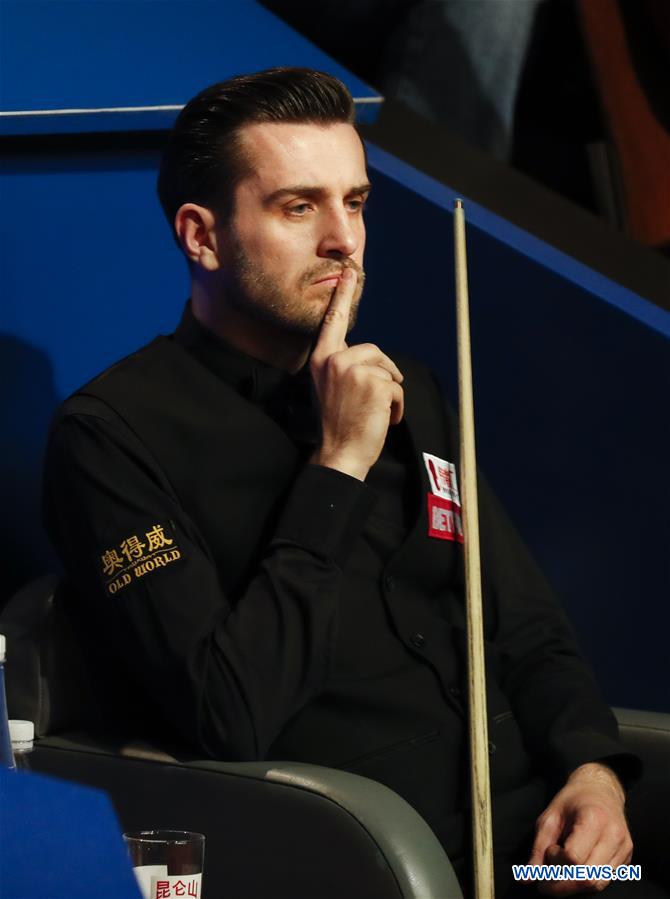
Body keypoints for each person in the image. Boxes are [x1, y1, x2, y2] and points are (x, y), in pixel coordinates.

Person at [42, 68, 663, 897]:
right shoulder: (113, 437)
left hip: (530, 861)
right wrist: (338, 465)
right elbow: (228, 714)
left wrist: (594, 770)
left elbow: (524, 623)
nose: (345, 239)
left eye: (357, 202)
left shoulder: (414, 387)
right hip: (375, 866)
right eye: (300, 207)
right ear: (203, 236)